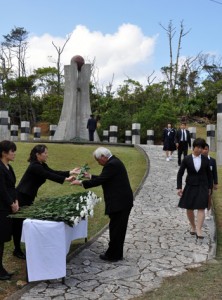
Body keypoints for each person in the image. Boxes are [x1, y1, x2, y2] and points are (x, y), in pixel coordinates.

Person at [12, 144, 77, 259]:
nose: (47, 155)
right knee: (18, 223)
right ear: (38, 155)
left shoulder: (41, 164)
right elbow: (48, 175)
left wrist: (69, 172)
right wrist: (65, 179)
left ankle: (19, 247)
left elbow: (53, 171)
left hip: (27, 196)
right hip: (22, 196)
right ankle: (17, 250)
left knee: (22, 222)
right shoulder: (35, 166)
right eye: (45, 153)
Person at [71, 147, 134, 262]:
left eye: (98, 160)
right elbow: (105, 178)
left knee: (116, 229)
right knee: (118, 229)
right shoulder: (113, 162)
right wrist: (88, 176)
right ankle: (116, 253)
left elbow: (100, 180)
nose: (98, 163)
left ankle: (113, 255)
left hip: (119, 203)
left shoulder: (111, 164)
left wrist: (80, 183)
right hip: (122, 202)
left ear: (103, 157)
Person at [177, 138, 212, 239]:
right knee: (189, 208)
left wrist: (209, 187)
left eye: (202, 148)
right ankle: (193, 226)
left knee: (201, 207)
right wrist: (179, 187)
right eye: (199, 147)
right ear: (194, 147)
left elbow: (209, 175)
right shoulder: (187, 159)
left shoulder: (205, 160)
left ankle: (199, 229)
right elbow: (180, 173)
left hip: (202, 186)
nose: (200, 150)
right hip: (190, 186)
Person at [0, 140, 19, 280]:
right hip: (1, 207)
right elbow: (2, 190)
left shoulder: (9, 167)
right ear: (3, 153)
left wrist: (16, 201)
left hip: (9, 205)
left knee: (3, 238)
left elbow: (12, 187)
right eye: (12, 151)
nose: (14, 154)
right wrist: (11, 204)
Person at [202, 143, 218, 220]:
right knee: (202, 197)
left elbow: (215, 172)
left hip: (209, 183)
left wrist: (215, 183)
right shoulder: (199, 160)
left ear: (208, 150)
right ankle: (202, 211)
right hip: (201, 183)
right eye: (203, 149)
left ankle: (207, 212)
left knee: (209, 197)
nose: (204, 151)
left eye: (206, 149)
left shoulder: (212, 161)